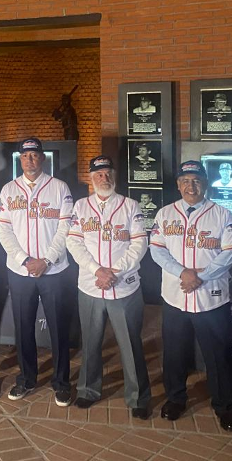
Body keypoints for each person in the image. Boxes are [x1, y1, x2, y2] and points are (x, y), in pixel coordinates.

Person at [149, 160, 232, 432]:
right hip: (176, 297)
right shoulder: (165, 213)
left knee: (218, 357)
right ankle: (175, 399)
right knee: (174, 354)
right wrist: (183, 273)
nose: (191, 186)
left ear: (206, 184)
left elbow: (231, 252)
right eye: (186, 181)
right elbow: (157, 250)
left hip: (210, 297)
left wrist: (200, 276)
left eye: (197, 180)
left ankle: (225, 407)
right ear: (178, 185)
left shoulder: (222, 214)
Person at [67, 156, 150, 418]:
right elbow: (74, 243)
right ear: (91, 178)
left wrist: (114, 271)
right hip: (91, 285)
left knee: (130, 344)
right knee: (90, 342)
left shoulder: (130, 205)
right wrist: (97, 270)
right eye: (99, 174)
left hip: (124, 286)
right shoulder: (81, 206)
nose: (104, 178)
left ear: (114, 175)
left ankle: (138, 398)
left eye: (108, 173)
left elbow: (140, 244)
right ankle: (87, 390)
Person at [0, 137, 74, 405]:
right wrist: (25, 259)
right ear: (20, 160)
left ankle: (61, 382)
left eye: (34, 155)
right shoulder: (8, 189)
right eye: (25, 156)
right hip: (20, 271)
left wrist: (47, 260)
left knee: (58, 328)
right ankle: (26, 379)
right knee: (23, 327)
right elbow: (4, 230)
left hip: (54, 270)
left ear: (42, 158)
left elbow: (66, 228)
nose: (29, 160)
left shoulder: (59, 187)